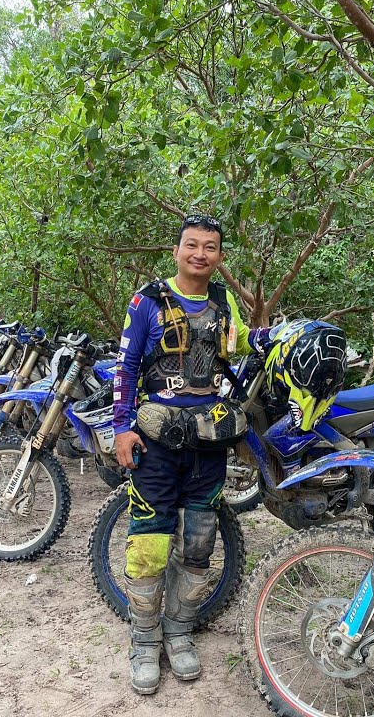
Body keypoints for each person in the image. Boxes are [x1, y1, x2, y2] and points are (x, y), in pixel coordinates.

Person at [111, 214, 271, 694]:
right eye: (192, 245)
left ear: (219, 256)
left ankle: (179, 632)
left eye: (210, 248)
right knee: (149, 541)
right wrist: (122, 428)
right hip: (156, 443)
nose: (200, 255)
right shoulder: (147, 301)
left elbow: (244, 343)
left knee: (199, 542)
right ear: (177, 250)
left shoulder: (222, 304)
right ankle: (145, 639)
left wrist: (278, 337)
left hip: (208, 444)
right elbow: (126, 365)